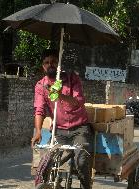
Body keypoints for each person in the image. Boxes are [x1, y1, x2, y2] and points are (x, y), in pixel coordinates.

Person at [31, 49, 93, 189]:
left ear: (59, 64)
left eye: (53, 62)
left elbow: (78, 101)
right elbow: (39, 109)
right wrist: (39, 131)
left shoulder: (72, 78)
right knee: (49, 162)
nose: (50, 65)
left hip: (79, 129)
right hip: (58, 130)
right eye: (46, 63)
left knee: (81, 162)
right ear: (43, 66)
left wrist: (60, 95)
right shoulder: (41, 86)